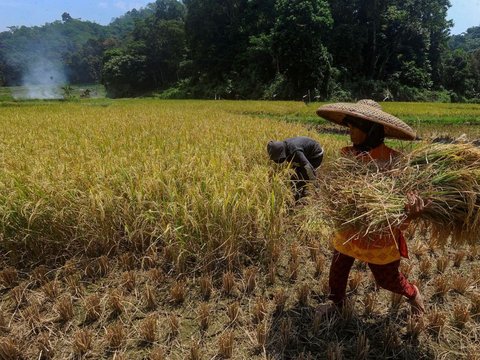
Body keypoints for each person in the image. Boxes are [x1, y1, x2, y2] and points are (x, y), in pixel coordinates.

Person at [315, 99, 426, 317]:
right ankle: (336, 302)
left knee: (387, 279)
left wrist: (412, 211)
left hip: (379, 234)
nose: (350, 132)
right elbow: (337, 189)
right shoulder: (347, 155)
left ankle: (413, 293)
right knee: (338, 269)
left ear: (370, 130)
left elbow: (403, 202)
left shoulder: (395, 162)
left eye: (354, 126)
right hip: (349, 229)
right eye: (349, 126)